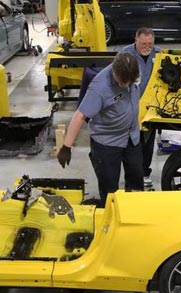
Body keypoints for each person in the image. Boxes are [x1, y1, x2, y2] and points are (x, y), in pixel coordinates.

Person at [57, 53, 144, 207]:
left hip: (132, 137)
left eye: (128, 82)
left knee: (136, 182)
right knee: (109, 189)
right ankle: (109, 222)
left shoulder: (134, 73)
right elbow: (80, 115)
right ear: (115, 72)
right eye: (121, 82)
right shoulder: (99, 87)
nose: (125, 85)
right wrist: (66, 146)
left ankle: (134, 214)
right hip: (107, 144)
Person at [122, 27, 161, 187]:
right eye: (143, 43)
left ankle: (144, 173)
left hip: (150, 107)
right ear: (136, 40)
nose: (147, 47)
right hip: (129, 107)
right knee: (131, 143)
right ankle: (132, 175)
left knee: (147, 142)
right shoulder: (125, 55)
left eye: (150, 44)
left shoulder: (159, 54)